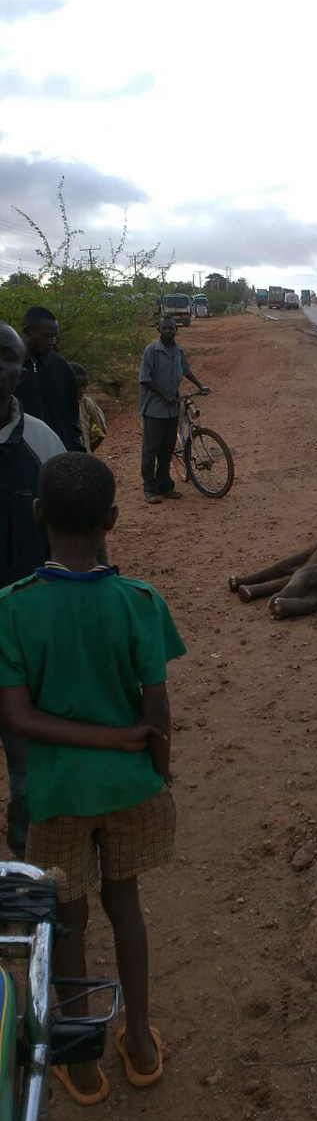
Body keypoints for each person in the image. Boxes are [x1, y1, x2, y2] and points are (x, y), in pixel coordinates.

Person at [0, 453, 186, 1104]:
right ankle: (138, 1042)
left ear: (38, 516)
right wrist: (153, 771)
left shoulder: (12, 608)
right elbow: (156, 711)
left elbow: (18, 719)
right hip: (130, 788)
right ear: (112, 518)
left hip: (55, 799)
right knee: (125, 905)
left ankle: (81, 1064)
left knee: (67, 922)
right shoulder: (139, 601)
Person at [0, 321, 65, 860]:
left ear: (21, 371)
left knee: (26, 773)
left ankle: (23, 873)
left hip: (27, 646)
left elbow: (75, 539)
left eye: (7, 358)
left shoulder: (43, 443)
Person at [139, 316, 209, 504]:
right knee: (151, 450)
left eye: (172, 328)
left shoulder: (177, 350)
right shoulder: (151, 351)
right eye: (165, 328)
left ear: (176, 329)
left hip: (172, 410)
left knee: (167, 450)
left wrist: (200, 385)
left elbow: (186, 370)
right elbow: (145, 379)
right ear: (159, 329)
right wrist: (164, 395)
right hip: (154, 409)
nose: (169, 331)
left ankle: (165, 486)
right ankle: (149, 488)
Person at [16, 306, 83, 452]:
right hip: (19, 453)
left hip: (58, 449)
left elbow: (71, 415)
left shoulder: (61, 368)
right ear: (27, 332)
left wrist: (73, 445)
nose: (52, 341)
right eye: (46, 336)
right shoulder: (11, 370)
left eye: (54, 336)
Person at [70, 362, 107, 453]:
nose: (83, 390)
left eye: (85, 386)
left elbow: (101, 432)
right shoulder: (56, 405)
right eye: (79, 386)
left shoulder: (86, 403)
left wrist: (88, 451)